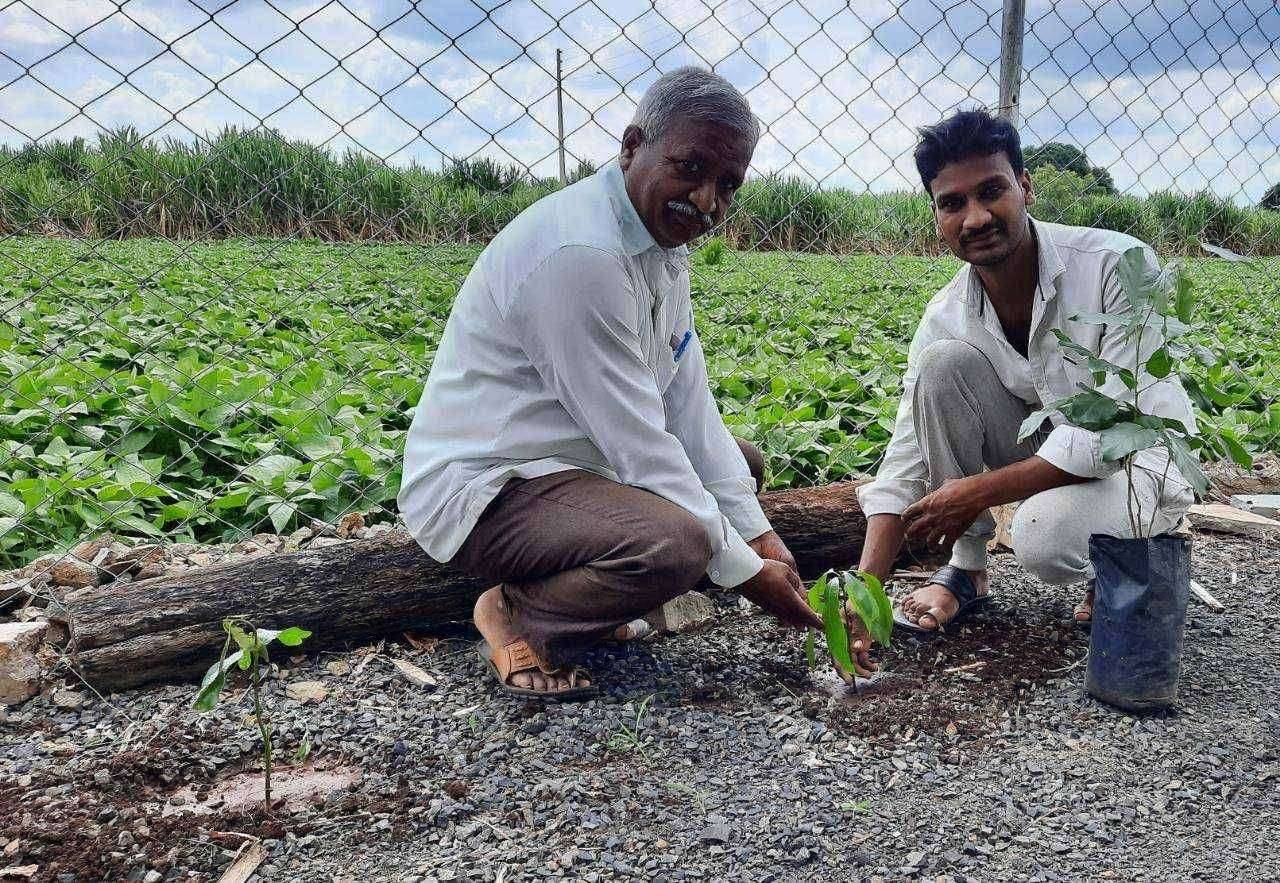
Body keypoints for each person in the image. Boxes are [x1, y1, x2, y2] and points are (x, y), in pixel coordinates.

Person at [398, 67, 828, 699]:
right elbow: (640, 446)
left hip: (573, 467)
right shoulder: (581, 255)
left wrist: (759, 534)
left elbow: (687, 403)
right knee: (676, 541)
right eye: (690, 169)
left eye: (727, 185)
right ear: (632, 146)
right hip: (491, 484)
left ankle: (591, 597)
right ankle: (518, 612)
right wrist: (744, 570)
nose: (707, 202)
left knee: (740, 466)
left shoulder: (657, 240)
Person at [854, 107, 1196, 634]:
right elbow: (906, 453)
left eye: (991, 191)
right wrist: (865, 594)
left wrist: (975, 491)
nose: (975, 218)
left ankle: (1133, 551)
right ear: (937, 216)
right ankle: (966, 571)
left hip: (1139, 462)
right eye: (952, 203)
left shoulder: (1117, 264)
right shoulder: (947, 313)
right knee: (940, 366)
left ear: (1025, 187)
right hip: (1048, 457)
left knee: (1043, 537)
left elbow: (1114, 435)